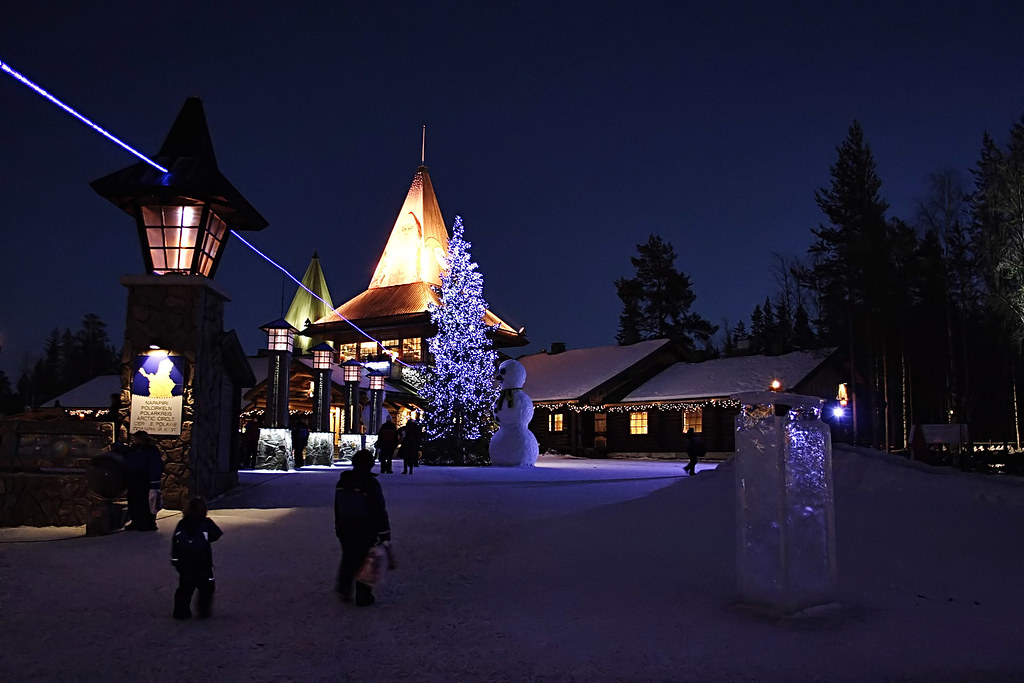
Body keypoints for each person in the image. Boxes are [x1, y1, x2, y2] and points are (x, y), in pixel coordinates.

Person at [334, 449, 391, 606]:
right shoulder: (370, 484)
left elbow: (337, 506)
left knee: (348, 557)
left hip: (345, 527)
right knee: (365, 561)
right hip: (365, 528)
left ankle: (344, 588)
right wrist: (384, 532)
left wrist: (338, 525)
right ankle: (363, 596)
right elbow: (378, 509)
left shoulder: (342, 483)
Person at [171, 496, 223, 620]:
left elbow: (175, 542)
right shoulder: (206, 522)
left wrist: (175, 560)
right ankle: (203, 611)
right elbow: (217, 534)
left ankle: (180, 612)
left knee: (185, 588)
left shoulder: (182, 523)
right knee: (207, 587)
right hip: (202, 562)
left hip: (185, 563)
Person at [115, 431, 163, 531]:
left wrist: (154, 481)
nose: (134, 440)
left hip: (145, 479)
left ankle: (147, 523)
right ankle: (136, 521)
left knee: (146, 502)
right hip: (134, 479)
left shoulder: (149, 450)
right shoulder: (134, 449)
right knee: (134, 501)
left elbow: (155, 465)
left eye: (135, 438)